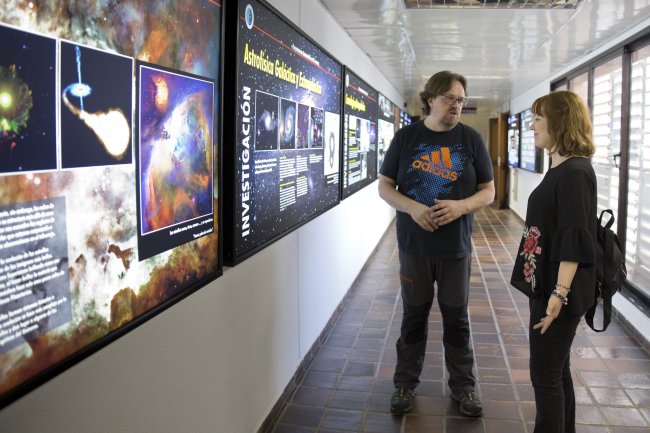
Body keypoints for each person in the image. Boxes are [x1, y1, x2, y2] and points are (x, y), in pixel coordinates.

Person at [378, 71, 495, 417]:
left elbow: (488, 191)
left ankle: (464, 387)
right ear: (431, 100)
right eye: (449, 99)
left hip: (455, 249)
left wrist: (461, 206)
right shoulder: (406, 138)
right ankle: (404, 383)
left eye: (461, 100)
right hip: (414, 246)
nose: (456, 105)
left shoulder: (471, 139)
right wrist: (412, 208)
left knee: (456, 318)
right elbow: (385, 186)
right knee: (414, 315)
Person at [510, 90, 597, 433]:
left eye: (537, 119)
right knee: (556, 371)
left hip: (559, 294)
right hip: (547, 287)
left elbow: (573, 239)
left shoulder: (574, 172)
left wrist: (558, 295)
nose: (532, 126)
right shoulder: (560, 167)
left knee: (545, 375)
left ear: (559, 122)